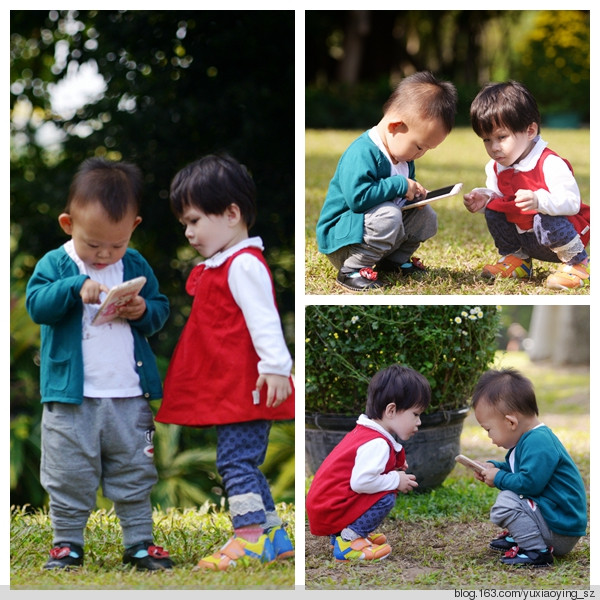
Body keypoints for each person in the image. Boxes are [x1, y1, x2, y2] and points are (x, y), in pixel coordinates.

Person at [25, 157, 173, 571]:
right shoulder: (57, 265)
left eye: (117, 244)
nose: (105, 254)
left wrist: (142, 308)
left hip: (128, 394)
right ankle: (67, 544)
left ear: (134, 228)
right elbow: (37, 305)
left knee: (134, 470)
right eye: (94, 245)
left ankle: (140, 542)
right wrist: (75, 287)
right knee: (68, 472)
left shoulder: (136, 264)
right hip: (72, 398)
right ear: (68, 224)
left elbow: (160, 311)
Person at [155, 154, 295, 571]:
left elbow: (264, 318)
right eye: (185, 223)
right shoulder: (226, 263)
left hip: (248, 387)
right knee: (242, 461)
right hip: (235, 388)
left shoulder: (243, 264)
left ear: (232, 213)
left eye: (196, 220)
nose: (188, 231)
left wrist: (275, 366)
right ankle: (273, 536)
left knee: (235, 463)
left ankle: (248, 536)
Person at [315, 71, 458, 291]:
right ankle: (351, 270)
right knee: (389, 215)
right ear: (395, 126)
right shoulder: (362, 152)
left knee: (426, 215)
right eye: (419, 146)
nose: (420, 154)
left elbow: (401, 190)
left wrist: (414, 193)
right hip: (345, 241)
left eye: (428, 149)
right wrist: (401, 186)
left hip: (377, 232)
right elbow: (358, 199)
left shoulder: (403, 156)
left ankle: (394, 262)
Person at [463, 80, 590, 290]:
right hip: (526, 238)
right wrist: (485, 198)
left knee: (543, 216)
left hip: (561, 234)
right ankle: (517, 260)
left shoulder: (549, 163)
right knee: (495, 209)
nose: (494, 148)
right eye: (486, 140)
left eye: (501, 137)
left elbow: (572, 202)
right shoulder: (495, 167)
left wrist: (539, 200)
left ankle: (577, 264)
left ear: (530, 131)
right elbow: (499, 199)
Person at [305, 364, 431, 562]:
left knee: (382, 488)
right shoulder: (377, 443)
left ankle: (344, 534)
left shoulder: (368, 434)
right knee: (386, 495)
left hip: (327, 504)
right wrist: (395, 480)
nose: (419, 421)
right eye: (415, 414)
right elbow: (361, 483)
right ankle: (349, 541)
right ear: (391, 410)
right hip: (331, 508)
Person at [470, 368, 587, 568]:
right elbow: (517, 469)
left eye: (488, 429)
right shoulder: (528, 440)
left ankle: (536, 550)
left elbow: (529, 484)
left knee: (507, 501)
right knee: (510, 497)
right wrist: (493, 467)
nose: (489, 437)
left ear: (510, 422)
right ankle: (525, 536)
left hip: (560, 531)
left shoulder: (539, 442)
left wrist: (498, 477)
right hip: (555, 522)